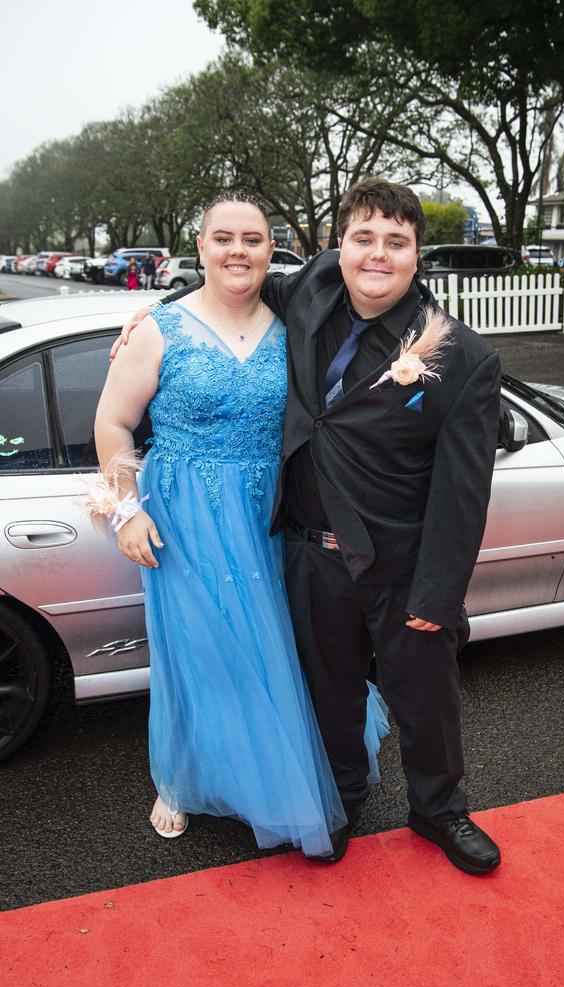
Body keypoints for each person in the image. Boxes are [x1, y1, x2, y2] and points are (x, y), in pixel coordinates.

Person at [115, 177, 502, 875]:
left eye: (396, 243)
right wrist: (153, 314)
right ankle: (343, 794)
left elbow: (462, 491)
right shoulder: (309, 294)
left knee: (424, 693)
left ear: (418, 256)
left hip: (401, 558)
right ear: (338, 248)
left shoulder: (463, 357)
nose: (376, 255)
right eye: (363, 239)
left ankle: (440, 807)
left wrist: (437, 594)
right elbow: (226, 288)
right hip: (304, 551)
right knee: (330, 690)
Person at [95, 193, 387, 859]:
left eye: (251, 239)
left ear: (269, 250)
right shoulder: (156, 329)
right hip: (183, 519)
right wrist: (125, 510)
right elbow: (112, 424)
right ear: (199, 248)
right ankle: (182, 780)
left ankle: (272, 772)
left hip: (273, 511)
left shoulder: (296, 328)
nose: (237, 250)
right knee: (198, 655)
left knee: (276, 649)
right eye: (222, 238)